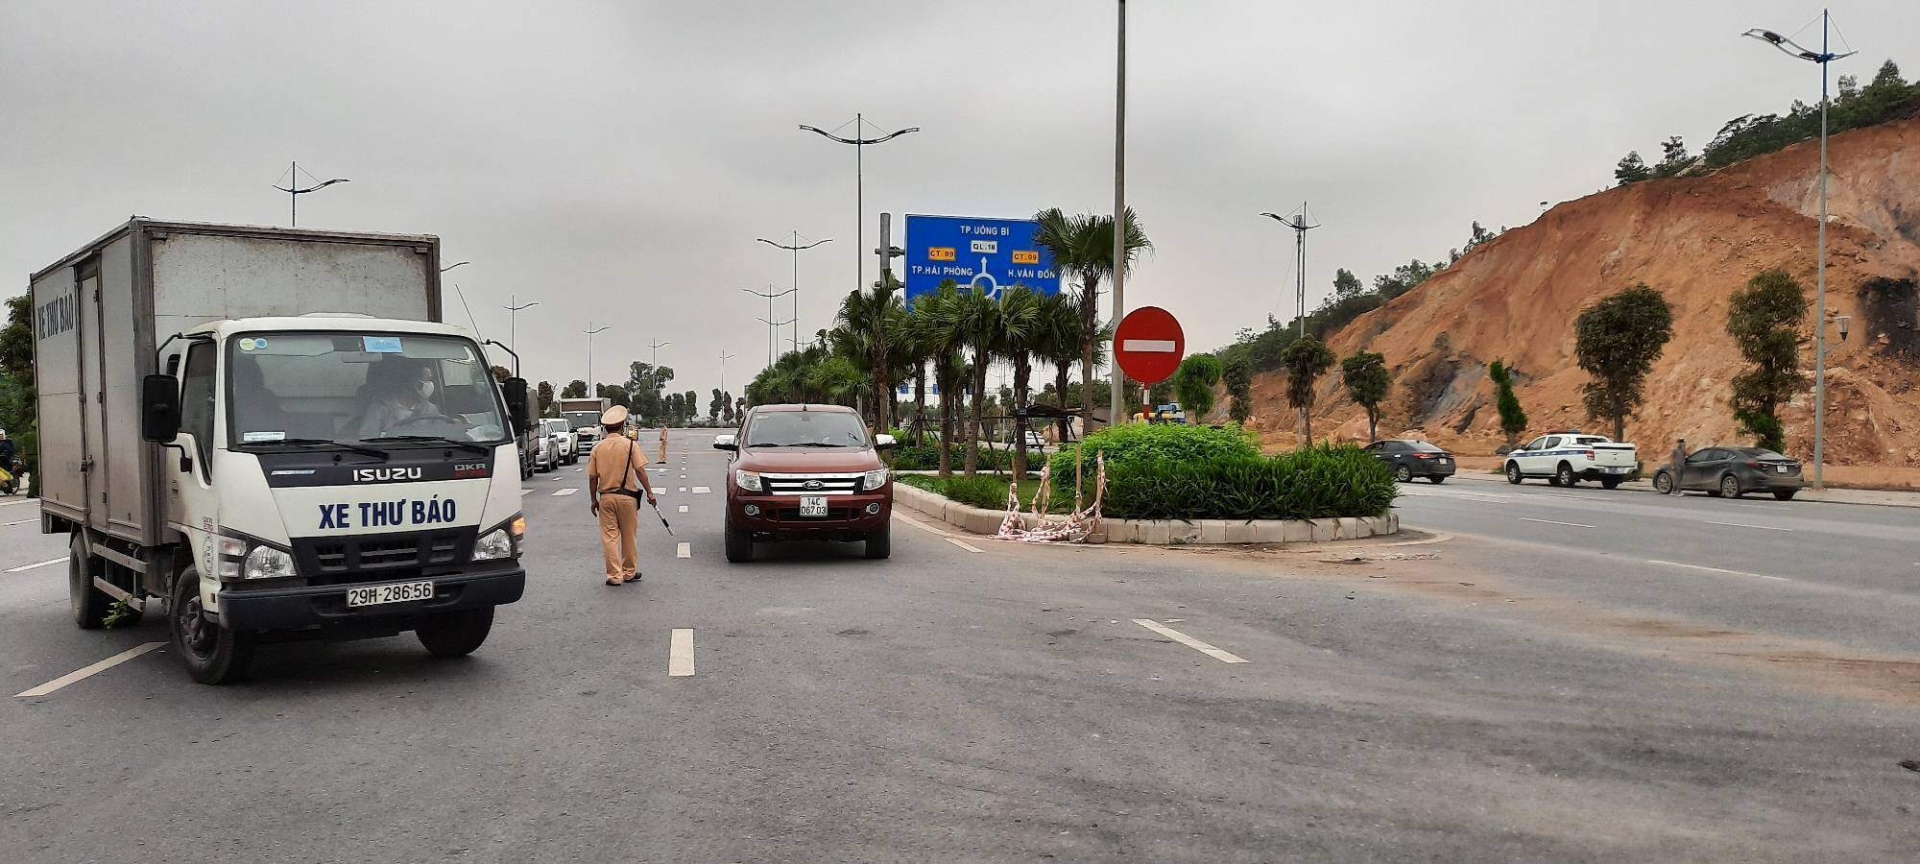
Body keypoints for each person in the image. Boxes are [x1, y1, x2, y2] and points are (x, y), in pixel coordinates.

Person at [588, 405, 656, 586]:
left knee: (609, 538)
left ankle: (614, 576)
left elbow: (593, 477)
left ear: (605, 427)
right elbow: (640, 471)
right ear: (622, 426)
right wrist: (650, 492)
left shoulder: (597, 448)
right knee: (629, 536)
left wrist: (593, 499)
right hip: (628, 498)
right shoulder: (630, 445)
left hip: (606, 498)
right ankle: (629, 572)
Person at [356, 361, 439, 439]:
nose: (430, 384)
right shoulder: (380, 407)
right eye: (426, 380)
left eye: (431, 380)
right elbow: (366, 438)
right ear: (412, 381)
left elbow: (441, 434)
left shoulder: (430, 409)